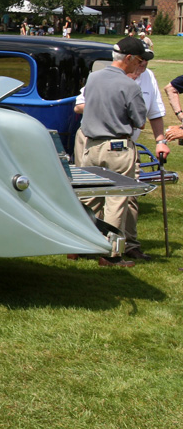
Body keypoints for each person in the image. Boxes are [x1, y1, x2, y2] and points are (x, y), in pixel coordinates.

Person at [77, 37, 155, 265]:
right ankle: (111, 254)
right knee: (117, 200)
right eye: (139, 60)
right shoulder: (130, 85)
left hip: (91, 146)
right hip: (117, 148)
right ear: (128, 58)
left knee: (90, 197)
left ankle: (84, 244)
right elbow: (140, 121)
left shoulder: (93, 78)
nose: (139, 66)